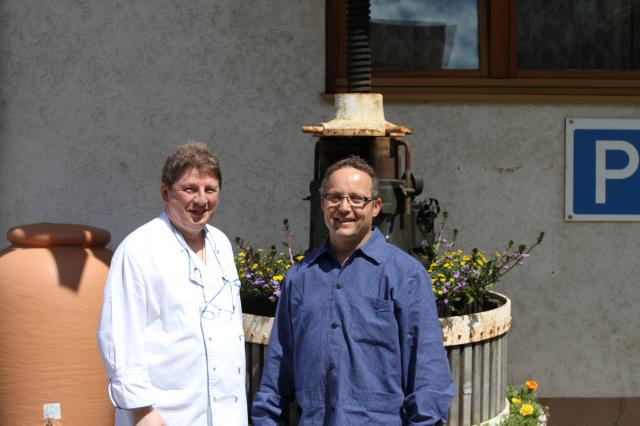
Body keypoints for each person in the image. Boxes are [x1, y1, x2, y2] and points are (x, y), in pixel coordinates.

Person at [251, 156, 455, 425]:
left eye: (357, 199)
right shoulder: (299, 278)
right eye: (335, 197)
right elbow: (278, 373)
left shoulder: (406, 275)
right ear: (322, 203)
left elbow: (429, 377)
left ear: (376, 207)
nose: (344, 207)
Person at [97, 142, 247, 426]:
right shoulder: (139, 249)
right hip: (165, 414)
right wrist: (142, 411)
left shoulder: (221, 244)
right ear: (165, 193)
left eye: (210, 189)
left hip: (226, 412)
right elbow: (118, 337)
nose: (201, 200)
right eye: (190, 189)